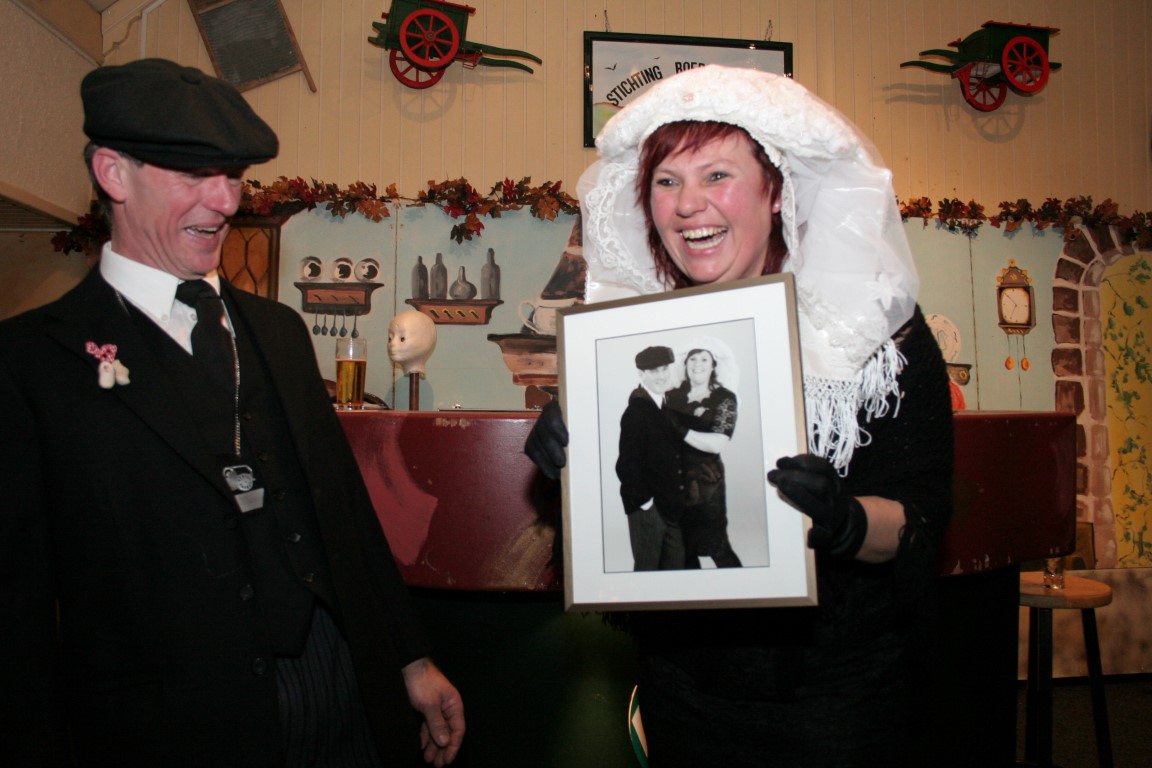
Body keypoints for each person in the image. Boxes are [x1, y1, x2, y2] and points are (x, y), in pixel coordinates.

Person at [0, 58, 464, 767]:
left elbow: (343, 513)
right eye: (194, 175)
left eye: (234, 176)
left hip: (340, 690)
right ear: (113, 173)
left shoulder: (278, 330)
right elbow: (17, 603)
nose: (224, 202)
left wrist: (410, 658)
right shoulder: (31, 361)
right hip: (170, 728)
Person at [525, 65, 953, 767]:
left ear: (775, 191)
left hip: (839, 697)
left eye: (717, 175)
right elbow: (626, 504)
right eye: (667, 181)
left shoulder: (873, 335)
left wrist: (846, 520)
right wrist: (571, 465)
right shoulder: (627, 340)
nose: (688, 204)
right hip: (684, 687)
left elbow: (922, 519)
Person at [664, 344, 742, 568]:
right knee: (681, 549)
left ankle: (743, 587)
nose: (697, 364)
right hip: (674, 482)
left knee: (717, 546)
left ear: (713, 366)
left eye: (704, 359)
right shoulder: (671, 396)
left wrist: (681, 430)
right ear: (685, 364)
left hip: (707, 484)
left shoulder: (724, 398)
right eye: (693, 359)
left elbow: (717, 444)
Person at [616, 345, 687, 571]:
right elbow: (626, 466)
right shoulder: (635, 412)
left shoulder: (666, 407)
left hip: (671, 508)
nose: (661, 375)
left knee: (675, 573)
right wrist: (646, 504)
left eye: (664, 369)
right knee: (647, 573)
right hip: (648, 510)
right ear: (641, 374)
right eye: (654, 371)